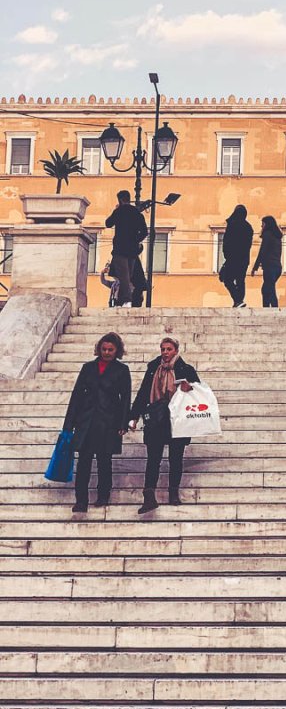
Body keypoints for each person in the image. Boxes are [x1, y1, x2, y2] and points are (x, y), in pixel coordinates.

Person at [129, 335, 200, 513]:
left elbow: (199, 392)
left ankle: (173, 493)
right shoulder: (154, 369)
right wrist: (134, 416)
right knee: (153, 458)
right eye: (163, 349)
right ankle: (149, 495)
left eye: (169, 349)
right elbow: (144, 392)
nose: (165, 353)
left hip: (178, 419)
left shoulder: (186, 369)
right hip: (156, 417)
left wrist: (189, 388)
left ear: (176, 350)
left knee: (176, 457)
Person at [62, 332, 131, 513]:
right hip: (86, 422)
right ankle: (81, 501)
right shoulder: (88, 368)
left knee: (104, 461)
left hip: (108, 423)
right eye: (104, 349)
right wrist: (69, 423)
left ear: (117, 351)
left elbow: (125, 398)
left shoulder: (122, 370)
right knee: (83, 462)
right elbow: (76, 395)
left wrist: (123, 423)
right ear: (99, 349)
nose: (107, 352)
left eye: (110, 350)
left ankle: (103, 496)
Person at [104, 190, 147, 308]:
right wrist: (136, 241)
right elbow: (144, 232)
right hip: (132, 251)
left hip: (120, 249)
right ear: (129, 198)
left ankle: (127, 301)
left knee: (123, 276)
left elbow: (108, 223)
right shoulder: (137, 213)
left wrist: (116, 210)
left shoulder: (119, 211)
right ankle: (123, 301)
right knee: (128, 275)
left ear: (120, 200)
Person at [220, 204, 254, 308]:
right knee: (240, 280)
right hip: (244, 259)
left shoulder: (232, 224)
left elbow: (226, 241)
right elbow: (248, 245)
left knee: (228, 280)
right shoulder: (248, 227)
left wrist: (227, 255)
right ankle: (239, 301)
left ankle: (238, 300)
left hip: (233, 258)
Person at [251, 215, 283, 308]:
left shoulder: (267, 234)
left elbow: (262, 251)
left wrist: (255, 267)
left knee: (269, 289)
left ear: (267, 225)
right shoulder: (277, 237)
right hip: (277, 267)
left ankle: (273, 309)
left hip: (270, 267)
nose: (261, 226)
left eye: (263, 224)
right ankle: (267, 308)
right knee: (266, 289)